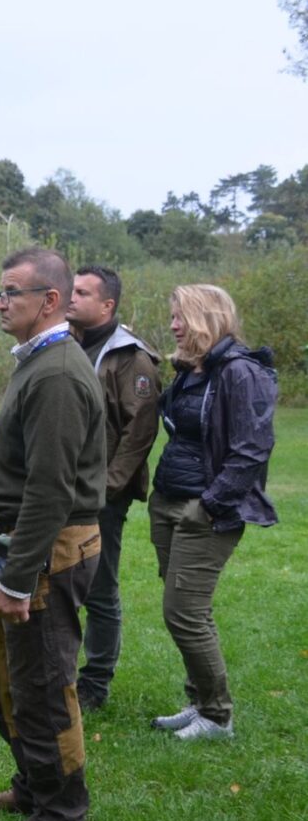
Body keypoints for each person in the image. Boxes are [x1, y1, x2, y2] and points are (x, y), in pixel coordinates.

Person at [0, 247, 104, 821]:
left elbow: (51, 490)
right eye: (0, 294)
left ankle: (58, 816)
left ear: (48, 301)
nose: (0, 304)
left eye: (10, 293)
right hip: (35, 547)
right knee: (9, 677)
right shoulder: (40, 360)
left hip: (51, 550)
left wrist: (19, 578)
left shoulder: (55, 373)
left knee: (46, 685)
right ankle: (32, 786)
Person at [148, 284, 276, 741]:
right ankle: (199, 701)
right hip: (168, 500)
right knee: (189, 611)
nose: (173, 324)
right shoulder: (193, 370)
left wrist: (209, 505)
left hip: (205, 508)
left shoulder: (241, 373)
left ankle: (218, 717)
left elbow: (251, 449)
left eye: (180, 316)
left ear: (206, 317)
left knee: (183, 612)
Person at [65, 266, 161, 711]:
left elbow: (139, 433)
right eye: (71, 289)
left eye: (82, 292)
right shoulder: (64, 343)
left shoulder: (130, 358)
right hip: (59, 488)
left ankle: (94, 685)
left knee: (98, 588)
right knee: (55, 583)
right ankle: (55, 676)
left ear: (108, 305)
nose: (71, 297)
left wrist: (106, 488)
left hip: (100, 496)